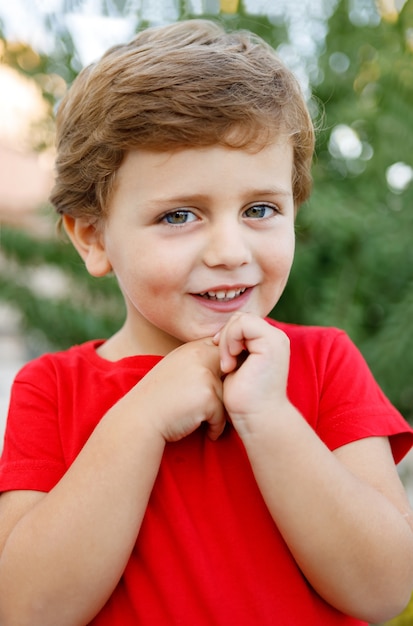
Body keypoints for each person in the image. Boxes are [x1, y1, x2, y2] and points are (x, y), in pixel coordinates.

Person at [0, 19, 412, 626]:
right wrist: (140, 418)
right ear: (93, 237)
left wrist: (270, 418)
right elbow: (26, 609)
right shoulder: (51, 389)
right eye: (180, 215)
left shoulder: (324, 365)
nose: (229, 249)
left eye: (260, 209)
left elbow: (383, 591)